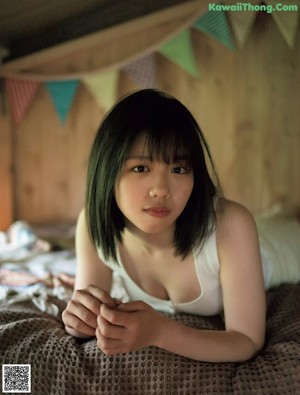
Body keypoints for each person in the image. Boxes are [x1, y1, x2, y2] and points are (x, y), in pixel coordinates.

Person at [62, 89, 266, 362]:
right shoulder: (92, 225)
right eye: (141, 168)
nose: (161, 190)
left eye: (179, 169)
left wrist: (159, 332)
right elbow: (88, 312)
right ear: (107, 171)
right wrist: (77, 321)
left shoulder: (231, 225)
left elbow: (247, 340)